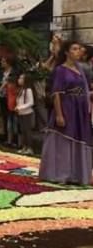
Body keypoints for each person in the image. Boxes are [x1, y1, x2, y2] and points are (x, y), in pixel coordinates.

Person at [39, 41, 92, 185]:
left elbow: (86, 89)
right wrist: (59, 114)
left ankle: (77, 175)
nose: (78, 51)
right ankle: (60, 174)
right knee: (64, 140)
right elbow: (56, 93)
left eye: (79, 49)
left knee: (78, 138)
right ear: (67, 53)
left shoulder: (81, 69)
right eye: (74, 49)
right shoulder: (60, 70)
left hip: (80, 109)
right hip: (67, 106)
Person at [15, 73, 35, 155]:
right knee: (23, 131)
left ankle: (30, 148)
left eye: (21, 78)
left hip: (27, 113)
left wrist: (20, 107)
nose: (19, 79)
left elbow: (31, 102)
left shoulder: (28, 90)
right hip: (21, 113)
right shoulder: (22, 89)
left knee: (27, 131)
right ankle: (24, 147)